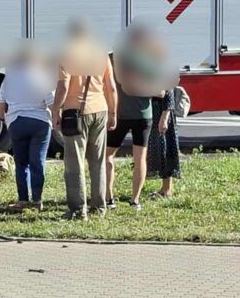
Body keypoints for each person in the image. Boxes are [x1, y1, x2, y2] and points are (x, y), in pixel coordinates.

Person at [52, 55, 118, 220]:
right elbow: (111, 87)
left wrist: (55, 110)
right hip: (100, 111)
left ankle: (78, 210)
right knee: (98, 162)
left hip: (75, 113)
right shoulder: (102, 55)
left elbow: (63, 86)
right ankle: (99, 207)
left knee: (75, 164)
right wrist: (113, 113)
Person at [0, 45, 55, 211]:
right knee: (38, 162)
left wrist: (5, 120)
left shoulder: (9, 79)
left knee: (21, 163)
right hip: (40, 124)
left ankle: (22, 200)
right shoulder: (42, 77)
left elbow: (0, 105)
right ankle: (37, 200)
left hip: (16, 122)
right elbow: (51, 102)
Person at [105, 61, 153, 211]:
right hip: (144, 115)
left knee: (107, 155)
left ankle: (109, 198)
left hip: (119, 115)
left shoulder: (112, 59)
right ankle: (135, 200)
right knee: (140, 158)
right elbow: (161, 91)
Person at [148, 88, 181, 198]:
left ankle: (167, 189)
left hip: (161, 112)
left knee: (165, 148)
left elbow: (169, 92)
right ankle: (165, 188)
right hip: (153, 110)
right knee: (157, 149)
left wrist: (165, 117)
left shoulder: (164, 71)